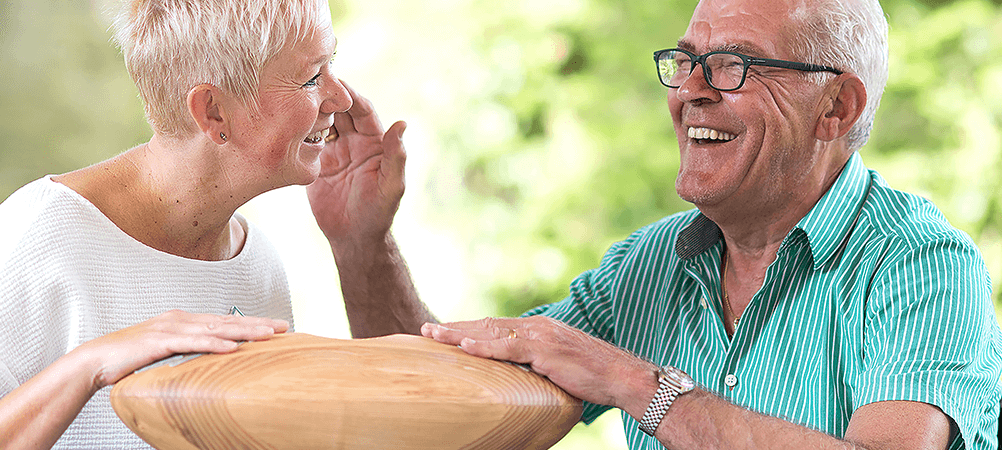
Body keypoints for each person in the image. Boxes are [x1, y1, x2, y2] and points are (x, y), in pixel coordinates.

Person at [317, 0, 1002, 448]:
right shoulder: (647, 265)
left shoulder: (922, 261)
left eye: (733, 65)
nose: (689, 91)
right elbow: (440, 413)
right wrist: (363, 244)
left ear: (836, 106)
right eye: (687, 62)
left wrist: (633, 381)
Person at [0, 0, 411, 447]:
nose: (340, 99)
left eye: (331, 63)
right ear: (213, 111)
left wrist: (364, 242)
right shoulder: (37, 233)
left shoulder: (256, 260)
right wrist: (90, 363)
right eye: (311, 76)